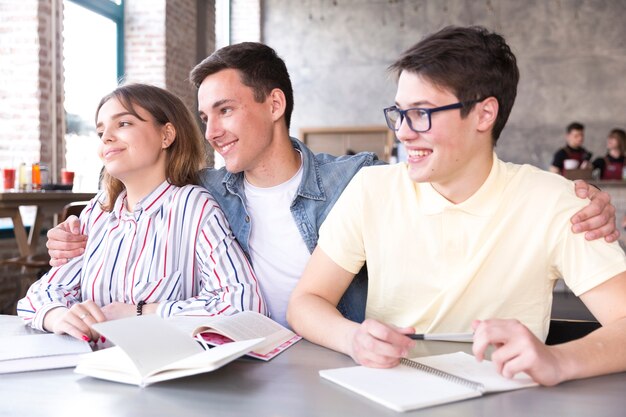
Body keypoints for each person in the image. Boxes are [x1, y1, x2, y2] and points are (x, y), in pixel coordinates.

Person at [45, 43, 617, 329]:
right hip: (233, 359)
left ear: (275, 104)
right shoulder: (201, 191)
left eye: (224, 110)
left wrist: (574, 200)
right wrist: (75, 232)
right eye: (204, 116)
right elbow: (130, 204)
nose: (211, 131)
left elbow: (454, 163)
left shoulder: (356, 180)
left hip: (329, 359)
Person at [287, 26, 626, 387]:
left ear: (484, 115)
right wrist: (351, 338)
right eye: (399, 112)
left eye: (421, 113)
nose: (402, 132)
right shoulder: (372, 190)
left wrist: (557, 361)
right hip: (388, 394)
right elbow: (307, 300)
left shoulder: (558, 203)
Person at [18, 84, 265, 341]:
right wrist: (57, 315)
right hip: (92, 366)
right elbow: (37, 297)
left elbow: (244, 304)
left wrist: (140, 312)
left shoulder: (194, 207)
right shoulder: (97, 213)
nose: (106, 138)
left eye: (123, 124)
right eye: (101, 131)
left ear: (166, 135)